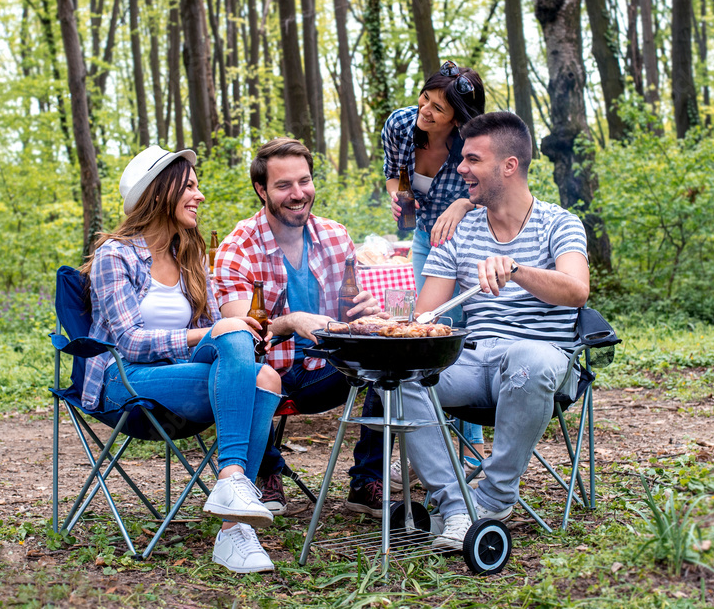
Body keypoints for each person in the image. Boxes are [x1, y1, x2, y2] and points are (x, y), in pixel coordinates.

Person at [81, 145, 283, 574]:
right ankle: (233, 489)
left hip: (184, 378)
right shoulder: (114, 255)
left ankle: (234, 523)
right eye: (189, 186)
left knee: (266, 377)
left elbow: (217, 333)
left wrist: (235, 325)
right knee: (231, 341)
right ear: (160, 192)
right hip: (125, 383)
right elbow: (130, 343)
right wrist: (212, 331)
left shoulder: (189, 254)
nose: (200, 195)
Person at [397, 112, 590, 551]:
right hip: (473, 358)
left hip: (540, 358)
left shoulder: (559, 223)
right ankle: (457, 506)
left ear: (509, 166)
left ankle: (496, 496)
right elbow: (426, 316)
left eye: (472, 159)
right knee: (402, 372)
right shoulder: (459, 230)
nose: (460, 168)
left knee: (533, 359)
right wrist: (399, 318)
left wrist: (518, 270)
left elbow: (577, 290)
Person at [214, 138, 387, 518]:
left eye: (304, 181)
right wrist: (291, 321)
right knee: (248, 372)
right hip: (270, 371)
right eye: (283, 185)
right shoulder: (237, 249)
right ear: (261, 190)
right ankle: (265, 471)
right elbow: (243, 333)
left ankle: (366, 481)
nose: (298, 194)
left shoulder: (335, 236)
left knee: (386, 359)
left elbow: (349, 313)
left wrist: (366, 313)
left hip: (327, 369)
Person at [382, 60, 487, 472]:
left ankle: (470, 447)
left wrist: (462, 203)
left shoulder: (474, 141)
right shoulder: (400, 124)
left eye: (438, 109)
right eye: (425, 98)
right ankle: (428, 443)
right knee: (424, 324)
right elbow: (393, 173)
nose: (425, 110)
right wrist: (397, 194)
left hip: (470, 239)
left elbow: (494, 189)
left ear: (458, 119)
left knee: (457, 331)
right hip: (427, 235)